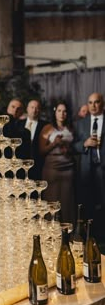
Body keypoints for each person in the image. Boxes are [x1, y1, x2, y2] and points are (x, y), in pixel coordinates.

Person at [73, 92, 105, 241]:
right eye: (90, 102)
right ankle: (91, 237)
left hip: (102, 168)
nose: (93, 105)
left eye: (96, 102)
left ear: (102, 103)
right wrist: (84, 144)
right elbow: (73, 145)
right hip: (86, 170)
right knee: (88, 204)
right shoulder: (80, 123)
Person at [39, 100, 76, 224]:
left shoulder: (71, 128)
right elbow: (42, 151)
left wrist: (67, 149)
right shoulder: (47, 128)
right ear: (55, 112)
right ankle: (51, 231)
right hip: (52, 169)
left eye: (65, 111)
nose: (62, 114)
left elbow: (75, 149)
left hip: (68, 169)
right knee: (52, 200)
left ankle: (67, 233)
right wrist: (54, 143)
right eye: (59, 111)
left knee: (67, 201)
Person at [18, 99, 47, 180]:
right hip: (21, 164)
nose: (34, 110)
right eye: (32, 107)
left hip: (37, 165)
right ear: (27, 109)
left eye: (37, 108)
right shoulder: (18, 123)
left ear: (40, 110)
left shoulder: (45, 126)